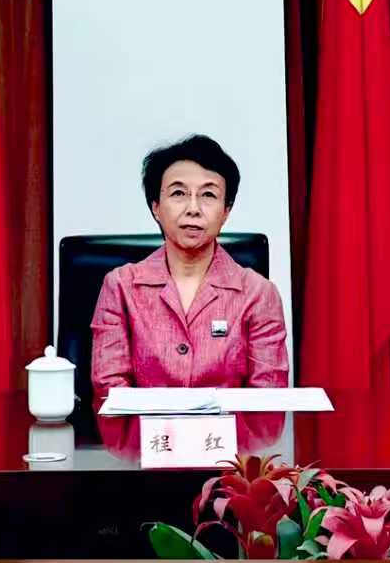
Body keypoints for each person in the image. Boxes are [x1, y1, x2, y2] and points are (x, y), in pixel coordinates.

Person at [89, 134, 288, 395]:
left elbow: (268, 399)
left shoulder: (259, 294)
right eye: (178, 193)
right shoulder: (120, 287)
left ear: (226, 211)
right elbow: (109, 392)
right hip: (143, 425)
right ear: (156, 207)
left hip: (232, 425)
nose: (193, 208)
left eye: (208, 194)